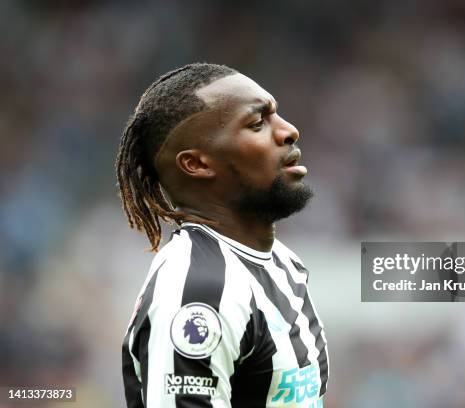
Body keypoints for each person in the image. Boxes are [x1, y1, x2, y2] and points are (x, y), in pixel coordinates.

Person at [116, 63, 329, 408]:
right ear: (197, 164)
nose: (289, 131)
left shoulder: (285, 264)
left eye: (276, 115)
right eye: (257, 123)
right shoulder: (197, 293)